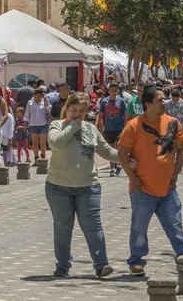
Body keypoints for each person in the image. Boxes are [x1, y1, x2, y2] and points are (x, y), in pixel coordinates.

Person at [118, 85, 183, 276]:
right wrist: (133, 179)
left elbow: (181, 149)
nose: (164, 102)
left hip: (168, 188)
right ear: (148, 104)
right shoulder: (133, 125)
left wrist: (175, 174)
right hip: (142, 189)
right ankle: (136, 261)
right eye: (160, 100)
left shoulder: (173, 123)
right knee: (139, 228)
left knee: (175, 225)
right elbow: (122, 152)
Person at [46, 93, 120, 278]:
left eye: (82, 111)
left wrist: (130, 158)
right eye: (74, 110)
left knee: (93, 226)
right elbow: (55, 143)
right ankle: (63, 265)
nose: (78, 114)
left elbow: (108, 152)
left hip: (88, 186)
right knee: (62, 227)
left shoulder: (91, 129)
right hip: (58, 187)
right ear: (67, 109)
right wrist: (72, 126)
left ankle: (101, 264)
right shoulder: (57, 125)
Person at [96, 82, 127, 177]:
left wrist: (124, 129)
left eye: (115, 91)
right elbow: (100, 116)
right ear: (108, 91)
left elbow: (125, 115)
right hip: (108, 129)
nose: (113, 92)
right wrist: (102, 129)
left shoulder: (121, 101)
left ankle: (119, 165)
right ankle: (112, 168)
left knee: (117, 147)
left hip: (119, 128)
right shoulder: (104, 102)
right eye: (112, 91)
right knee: (110, 149)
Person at [165, 89, 183, 155]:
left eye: (177, 99)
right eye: (174, 99)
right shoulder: (167, 104)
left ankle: (180, 158)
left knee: (181, 145)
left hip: (182, 127)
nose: (175, 101)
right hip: (170, 128)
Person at [26, 89, 52, 163]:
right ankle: (36, 159)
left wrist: (47, 101)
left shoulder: (44, 102)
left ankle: (43, 158)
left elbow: (50, 110)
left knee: (43, 142)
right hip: (33, 124)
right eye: (36, 95)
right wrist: (25, 124)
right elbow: (27, 113)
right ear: (33, 95)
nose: (38, 97)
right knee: (34, 143)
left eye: (40, 95)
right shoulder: (30, 102)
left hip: (43, 124)